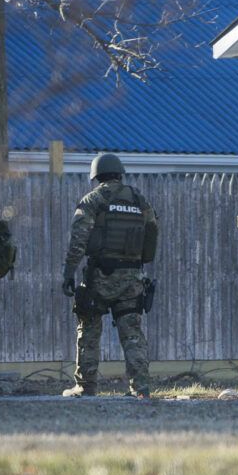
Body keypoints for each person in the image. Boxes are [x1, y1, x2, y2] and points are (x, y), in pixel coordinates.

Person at [61, 153, 159, 399]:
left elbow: (78, 240)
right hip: (132, 277)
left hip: (100, 276)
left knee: (89, 329)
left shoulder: (93, 200)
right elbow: (152, 232)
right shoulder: (139, 200)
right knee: (132, 333)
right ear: (119, 173)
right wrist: (139, 262)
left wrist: (69, 273)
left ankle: (86, 387)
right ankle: (141, 389)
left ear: (97, 176)